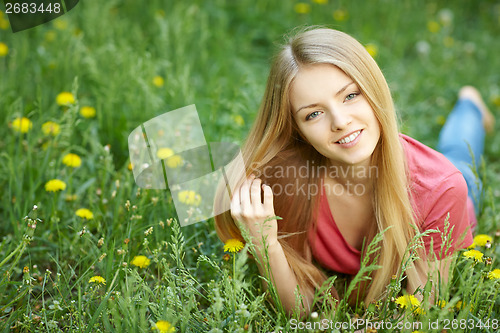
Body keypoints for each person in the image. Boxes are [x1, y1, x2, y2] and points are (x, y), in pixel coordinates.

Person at [213, 27, 495, 315]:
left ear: (373, 87)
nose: (340, 121)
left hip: (453, 186)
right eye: (313, 114)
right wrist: (265, 244)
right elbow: (301, 311)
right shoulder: (286, 178)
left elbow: (418, 314)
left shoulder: (440, 188)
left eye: (350, 96)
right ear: (297, 130)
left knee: (460, 154)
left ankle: (470, 103)